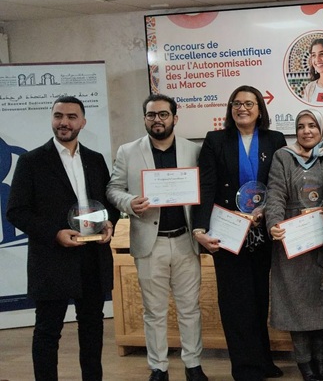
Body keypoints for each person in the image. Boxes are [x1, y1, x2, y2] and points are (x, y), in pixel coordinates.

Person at [7, 96, 120, 381]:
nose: (64, 122)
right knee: (48, 331)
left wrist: (109, 221)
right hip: (52, 259)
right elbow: (16, 211)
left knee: (92, 328)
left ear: (83, 122)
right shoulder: (32, 161)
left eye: (71, 116)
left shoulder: (95, 160)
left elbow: (107, 203)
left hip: (92, 257)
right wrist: (54, 234)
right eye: (58, 116)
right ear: (52, 119)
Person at [106, 94, 208, 381]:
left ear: (175, 118)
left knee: (190, 308)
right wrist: (129, 203)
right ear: (144, 119)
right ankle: (158, 368)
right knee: (154, 312)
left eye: (163, 114)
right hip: (149, 242)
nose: (157, 120)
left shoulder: (193, 150)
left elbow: (204, 190)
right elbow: (113, 189)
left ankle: (193, 364)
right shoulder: (128, 151)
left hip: (186, 240)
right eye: (151, 115)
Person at [191, 86, 286, 381]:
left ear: (260, 108)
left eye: (249, 103)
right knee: (235, 301)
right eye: (236, 103)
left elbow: (279, 184)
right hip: (228, 231)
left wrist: (267, 212)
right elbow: (205, 186)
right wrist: (199, 227)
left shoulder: (275, 139)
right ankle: (245, 368)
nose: (242, 108)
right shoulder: (215, 140)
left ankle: (262, 361)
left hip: (262, 230)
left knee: (259, 298)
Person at [265, 109, 323, 381]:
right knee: (296, 304)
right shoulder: (284, 156)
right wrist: (273, 223)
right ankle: (305, 363)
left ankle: (321, 360)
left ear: (321, 130)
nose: (306, 131)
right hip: (292, 240)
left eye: (312, 126)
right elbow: (276, 193)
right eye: (301, 126)